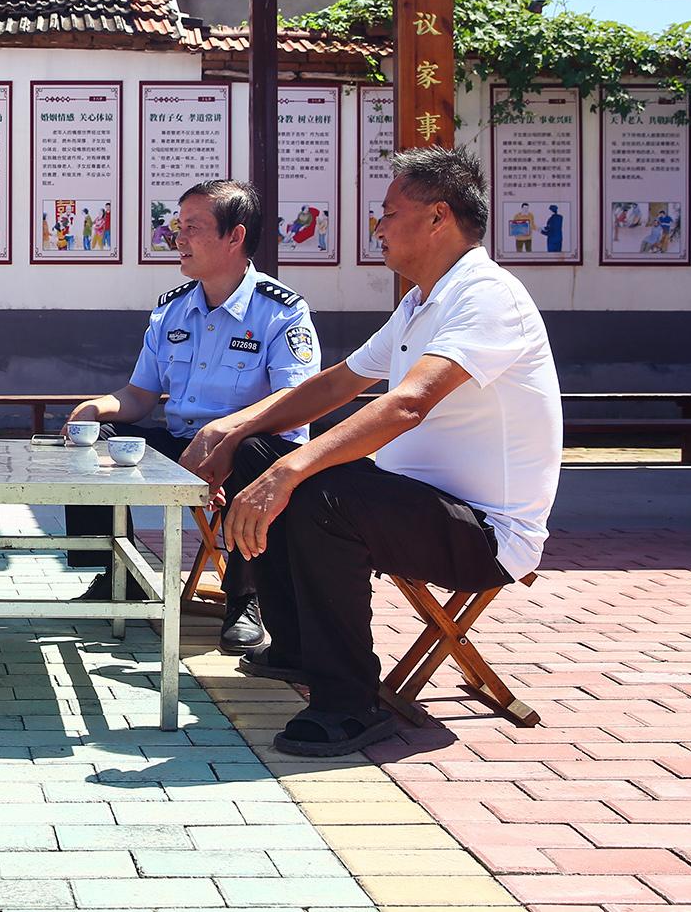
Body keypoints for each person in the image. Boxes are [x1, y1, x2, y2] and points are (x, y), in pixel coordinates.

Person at [187, 147, 560, 757]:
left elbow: (409, 403)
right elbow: (337, 383)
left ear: (438, 217)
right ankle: (297, 648)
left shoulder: (488, 296)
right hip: (413, 504)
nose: (377, 226)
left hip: (486, 532)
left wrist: (292, 470)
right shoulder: (420, 302)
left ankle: (349, 704)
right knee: (260, 452)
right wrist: (233, 432)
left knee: (321, 492)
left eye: (388, 212)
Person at [65, 180, 320, 654]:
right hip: (184, 444)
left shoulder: (280, 311)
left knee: (252, 452)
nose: (177, 238)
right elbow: (139, 395)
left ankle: (245, 599)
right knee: (96, 437)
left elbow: (295, 397)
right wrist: (97, 408)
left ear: (234, 236)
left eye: (193, 228)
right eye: (178, 226)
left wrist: (225, 432)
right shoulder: (172, 309)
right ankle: (118, 570)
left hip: (253, 446)